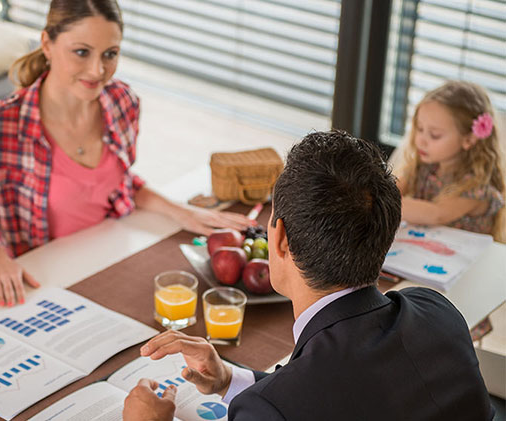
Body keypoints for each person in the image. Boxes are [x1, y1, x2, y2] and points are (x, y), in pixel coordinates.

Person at [123, 130, 494, 420]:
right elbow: (344, 400)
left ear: (279, 238)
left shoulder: (273, 409)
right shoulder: (437, 313)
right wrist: (228, 380)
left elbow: (301, 402)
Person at [0, 0, 252, 307]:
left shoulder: (122, 102)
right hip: (41, 277)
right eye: (82, 52)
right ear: (47, 44)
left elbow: (118, 183)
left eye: (110, 54)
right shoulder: (1, 126)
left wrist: (182, 212)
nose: (98, 70)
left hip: (107, 256)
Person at [395, 81, 505, 241]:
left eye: (434, 135)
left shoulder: (477, 188)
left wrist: (384, 202)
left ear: (468, 140)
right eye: (419, 129)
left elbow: (436, 214)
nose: (421, 140)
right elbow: (393, 189)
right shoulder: (424, 167)